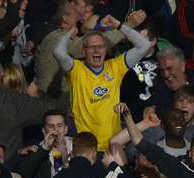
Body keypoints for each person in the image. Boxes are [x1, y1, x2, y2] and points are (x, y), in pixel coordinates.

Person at [53, 17, 150, 150]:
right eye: (92, 47)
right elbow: (58, 52)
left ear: (106, 49)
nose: (97, 51)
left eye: (100, 46)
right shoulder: (76, 70)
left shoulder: (116, 66)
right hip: (85, 147)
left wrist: (119, 25)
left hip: (113, 144)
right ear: (84, 50)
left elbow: (144, 45)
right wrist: (69, 33)